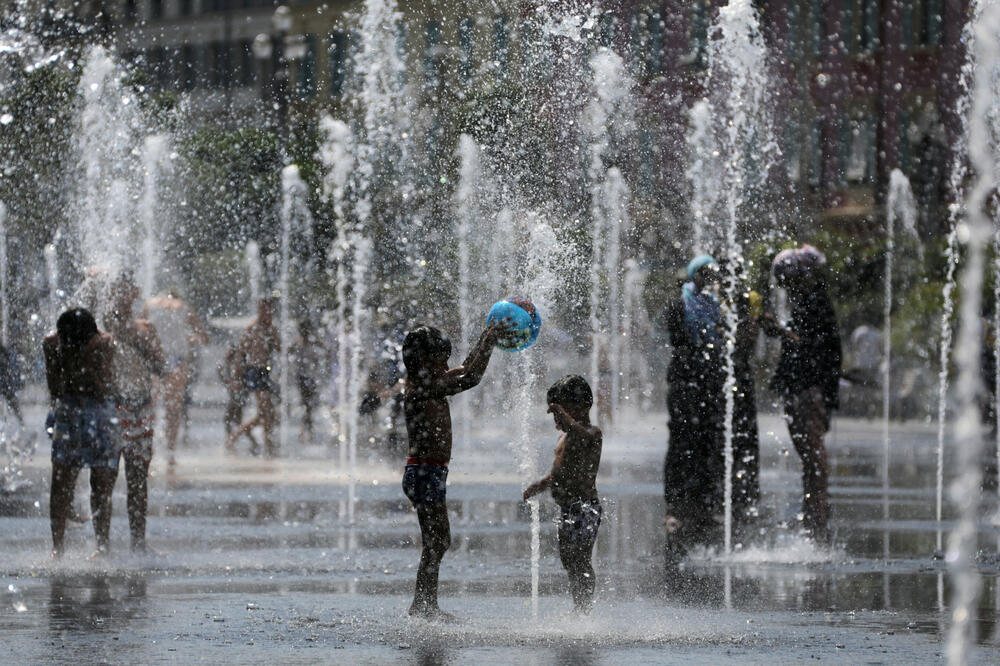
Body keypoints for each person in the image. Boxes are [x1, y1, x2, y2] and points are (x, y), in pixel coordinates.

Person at [401, 320, 509, 620]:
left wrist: (486, 337)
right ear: (423, 360)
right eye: (441, 359)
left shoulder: (427, 382)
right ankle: (423, 606)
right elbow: (471, 377)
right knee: (437, 541)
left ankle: (424, 604)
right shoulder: (422, 389)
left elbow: (464, 368)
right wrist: (488, 344)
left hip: (429, 473)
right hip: (424, 474)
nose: (446, 364)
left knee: (437, 541)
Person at [768, 245, 841, 544]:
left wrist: (781, 331)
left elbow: (813, 347)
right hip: (803, 386)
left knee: (812, 451)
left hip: (807, 387)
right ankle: (813, 507)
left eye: (786, 279)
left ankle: (817, 510)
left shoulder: (815, 302)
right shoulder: (808, 300)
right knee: (808, 452)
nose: (783, 286)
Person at [662, 255, 726, 558]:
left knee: (706, 443)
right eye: (702, 273)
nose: (707, 278)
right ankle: (675, 505)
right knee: (680, 443)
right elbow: (676, 339)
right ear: (692, 274)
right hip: (684, 384)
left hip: (710, 383)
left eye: (710, 273)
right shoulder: (680, 304)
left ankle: (703, 505)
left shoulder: (714, 306)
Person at [523, 375, 603, 614]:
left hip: (585, 507)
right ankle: (578, 602)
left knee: (581, 558)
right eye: (556, 415)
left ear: (584, 406)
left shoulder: (591, 433)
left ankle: (584, 608)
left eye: (561, 413)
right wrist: (540, 485)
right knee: (568, 559)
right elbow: (558, 472)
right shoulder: (565, 437)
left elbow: (581, 434)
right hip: (567, 509)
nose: (557, 420)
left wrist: (567, 419)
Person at [44, 308, 118, 558]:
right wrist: (67, 365)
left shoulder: (104, 343)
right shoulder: (52, 344)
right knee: (61, 478)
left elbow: (106, 388)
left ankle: (102, 546)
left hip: (99, 411)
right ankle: (58, 546)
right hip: (68, 409)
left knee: (101, 480)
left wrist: (88, 362)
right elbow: (55, 388)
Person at [106, 273, 165, 552]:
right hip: (110, 409)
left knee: (138, 477)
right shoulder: (99, 328)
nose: (120, 295)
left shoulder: (145, 328)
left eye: (125, 290)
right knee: (104, 477)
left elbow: (161, 366)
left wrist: (143, 343)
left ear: (135, 292)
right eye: (116, 290)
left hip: (140, 408)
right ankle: (101, 545)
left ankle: (138, 542)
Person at [142, 288, 208, 468]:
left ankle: (148, 448)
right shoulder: (183, 307)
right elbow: (204, 337)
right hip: (176, 360)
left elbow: (138, 329)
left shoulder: (150, 305)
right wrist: (189, 339)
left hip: (155, 358)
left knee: (150, 407)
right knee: (173, 408)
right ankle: (170, 453)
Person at [227, 297, 280, 457]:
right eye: (263, 309)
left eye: (269, 309)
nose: (266, 313)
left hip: (267, 372)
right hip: (254, 372)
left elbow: (280, 348)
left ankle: (240, 435)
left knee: (267, 412)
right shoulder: (252, 328)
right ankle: (265, 446)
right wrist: (236, 377)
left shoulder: (271, 328)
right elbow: (240, 353)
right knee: (266, 411)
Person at [218, 340, 258, 455]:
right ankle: (237, 440)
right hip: (236, 396)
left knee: (230, 419)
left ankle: (232, 440)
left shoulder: (238, 364)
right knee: (235, 421)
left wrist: (236, 384)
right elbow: (228, 381)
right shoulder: (230, 364)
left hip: (239, 396)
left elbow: (238, 381)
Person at [291, 318, 324, 444]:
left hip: (311, 378)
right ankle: (306, 429)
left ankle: (307, 429)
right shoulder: (298, 343)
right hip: (302, 378)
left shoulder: (312, 342)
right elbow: (287, 352)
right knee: (306, 404)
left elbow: (324, 352)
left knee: (309, 405)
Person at [0, 339, 24, 424]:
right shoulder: (4, 352)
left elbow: (8, 369)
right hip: (5, 383)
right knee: (12, 402)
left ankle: (21, 423)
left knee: (12, 402)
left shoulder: (4, 352)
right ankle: (21, 423)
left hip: (4, 383)